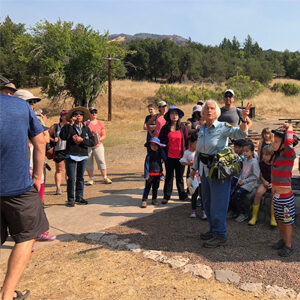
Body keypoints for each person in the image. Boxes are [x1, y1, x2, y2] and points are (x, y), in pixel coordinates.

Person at [0, 94, 49, 300]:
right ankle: (6, 294)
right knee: (28, 234)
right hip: (17, 186)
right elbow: (40, 142)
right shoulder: (19, 106)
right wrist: (38, 176)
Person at [190, 100, 250, 248]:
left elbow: (241, 133)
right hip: (204, 171)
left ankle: (221, 234)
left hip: (219, 172)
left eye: (212, 108)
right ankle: (213, 230)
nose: (209, 111)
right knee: (207, 202)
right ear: (203, 112)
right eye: (206, 109)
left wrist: (243, 119)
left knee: (218, 204)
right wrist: (194, 169)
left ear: (217, 112)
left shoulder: (223, 127)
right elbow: (198, 151)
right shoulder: (202, 129)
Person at [270, 124, 297, 257]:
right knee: (279, 220)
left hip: (285, 197)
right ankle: (283, 240)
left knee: (287, 222)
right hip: (277, 196)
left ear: (283, 145)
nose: (272, 143)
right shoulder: (277, 156)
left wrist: (290, 128)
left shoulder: (289, 155)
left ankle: (289, 245)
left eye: (276, 141)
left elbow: (289, 142)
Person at [60, 107, 95, 207]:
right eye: (76, 114)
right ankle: (70, 199)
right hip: (71, 154)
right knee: (71, 178)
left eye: (80, 114)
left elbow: (92, 142)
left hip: (83, 155)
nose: (78, 115)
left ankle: (79, 197)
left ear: (83, 117)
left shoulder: (86, 129)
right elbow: (63, 137)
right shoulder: (69, 127)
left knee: (80, 177)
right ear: (73, 117)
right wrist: (69, 124)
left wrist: (82, 140)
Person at [159, 106, 189, 204]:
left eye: (176, 114)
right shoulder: (165, 128)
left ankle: (182, 195)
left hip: (181, 157)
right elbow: (161, 141)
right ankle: (166, 196)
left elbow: (187, 141)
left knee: (180, 177)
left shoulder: (183, 127)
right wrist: (163, 155)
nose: (174, 116)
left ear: (179, 116)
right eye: (172, 113)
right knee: (169, 177)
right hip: (169, 157)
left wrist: (187, 155)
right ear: (169, 115)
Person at [231, 141, 260, 223]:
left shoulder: (254, 162)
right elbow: (242, 173)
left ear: (252, 152)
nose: (245, 153)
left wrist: (244, 181)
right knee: (232, 193)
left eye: (247, 151)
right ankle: (235, 212)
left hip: (250, 184)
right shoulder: (245, 161)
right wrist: (239, 180)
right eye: (244, 151)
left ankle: (243, 213)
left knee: (238, 193)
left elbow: (255, 176)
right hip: (243, 183)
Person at [248, 144, 276, 226]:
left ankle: (273, 217)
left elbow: (278, 175)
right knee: (258, 193)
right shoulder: (261, 163)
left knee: (274, 195)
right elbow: (260, 174)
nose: (264, 156)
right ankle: (254, 216)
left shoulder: (276, 164)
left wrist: (273, 183)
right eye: (263, 154)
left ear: (272, 156)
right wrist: (264, 182)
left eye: (266, 155)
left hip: (274, 183)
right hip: (265, 182)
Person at [180, 132, 206, 219]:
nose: (198, 145)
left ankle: (203, 211)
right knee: (194, 194)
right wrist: (188, 163)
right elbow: (182, 161)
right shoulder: (187, 152)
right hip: (193, 176)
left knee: (202, 194)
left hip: (202, 175)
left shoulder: (202, 151)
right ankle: (193, 211)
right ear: (191, 143)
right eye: (196, 143)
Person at [85, 107, 112, 185]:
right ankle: (91, 178)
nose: (94, 114)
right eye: (92, 112)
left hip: (98, 145)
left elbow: (104, 135)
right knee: (89, 162)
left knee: (101, 160)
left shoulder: (100, 123)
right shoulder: (86, 123)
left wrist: (99, 139)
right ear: (89, 114)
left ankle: (105, 177)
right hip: (89, 145)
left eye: (95, 112)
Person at [141, 137, 167, 208]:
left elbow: (165, 158)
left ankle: (154, 199)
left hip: (158, 174)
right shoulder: (149, 154)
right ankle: (144, 200)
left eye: (156, 145)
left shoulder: (160, 153)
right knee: (147, 187)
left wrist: (161, 149)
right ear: (150, 146)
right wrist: (146, 175)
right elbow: (146, 165)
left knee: (155, 187)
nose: (154, 147)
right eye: (152, 145)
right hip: (150, 174)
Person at [49, 110, 69, 195]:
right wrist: (53, 139)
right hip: (59, 150)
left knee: (69, 170)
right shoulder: (56, 126)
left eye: (67, 115)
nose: (66, 117)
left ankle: (69, 186)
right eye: (64, 115)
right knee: (59, 170)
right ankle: (58, 188)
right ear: (61, 117)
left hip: (69, 150)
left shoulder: (71, 125)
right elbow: (47, 134)